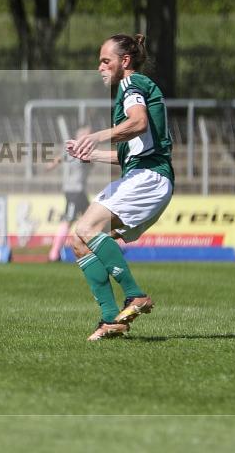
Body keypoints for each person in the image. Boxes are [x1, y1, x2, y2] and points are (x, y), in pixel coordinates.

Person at [66, 34, 174, 341]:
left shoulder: (130, 84)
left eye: (105, 61)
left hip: (149, 177)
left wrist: (96, 135)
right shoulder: (134, 87)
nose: (100, 67)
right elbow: (133, 150)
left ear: (124, 62)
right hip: (143, 174)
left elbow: (138, 123)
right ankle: (111, 319)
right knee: (79, 241)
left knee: (86, 228)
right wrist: (92, 154)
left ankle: (134, 295)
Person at [44, 125, 93, 262]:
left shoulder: (72, 149)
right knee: (68, 220)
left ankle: (96, 250)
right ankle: (53, 254)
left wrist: (50, 165)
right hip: (74, 191)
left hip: (80, 191)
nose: (91, 137)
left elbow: (59, 158)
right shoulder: (81, 150)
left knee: (92, 220)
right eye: (88, 134)